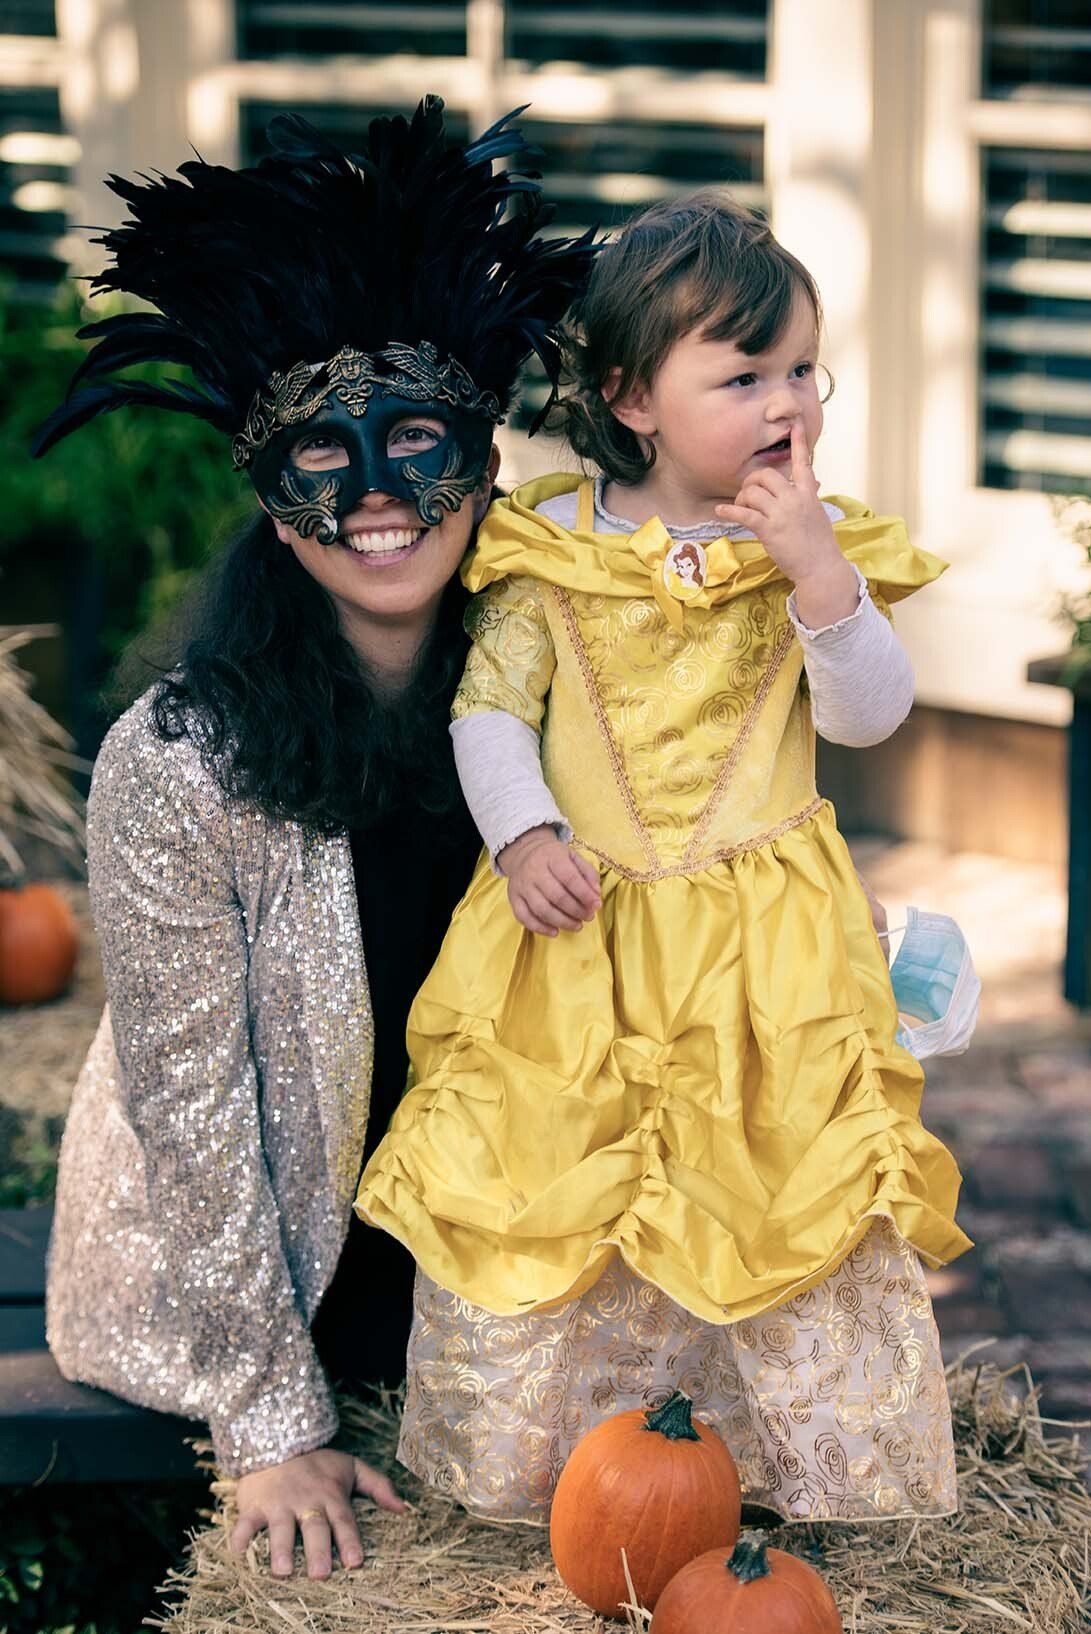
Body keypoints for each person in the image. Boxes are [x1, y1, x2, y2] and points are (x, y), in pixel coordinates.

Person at [35, 98, 596, 1578]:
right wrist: (273, 1424)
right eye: (321, 459)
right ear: (273, 504)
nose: (378, 499)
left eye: (416, 442)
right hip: (270, 1271)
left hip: (483, 1248)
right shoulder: (181, 761)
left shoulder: (557, 704)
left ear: (482, 465)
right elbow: (193, 1110)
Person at [356, 192, 976, 1526]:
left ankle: (786, 1455)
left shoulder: (810, 543)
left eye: (802, 369)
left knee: (769, 1169)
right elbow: (490, 710)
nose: (786, 402)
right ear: (633, 398)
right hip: (586, 931)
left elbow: (869, 714)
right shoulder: (556, 550)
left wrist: (818, 577)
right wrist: (524, 831)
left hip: (764, 944)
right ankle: (584, 1462)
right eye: (742, 377)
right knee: (575, 1161)